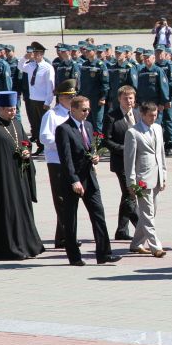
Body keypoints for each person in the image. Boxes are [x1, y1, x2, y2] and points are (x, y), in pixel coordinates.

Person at [0, 90, 45, 261]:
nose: (12, 112)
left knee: (23, 211)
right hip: (3, 180)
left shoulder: (17, 124)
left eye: (14, 109)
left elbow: (25, 143)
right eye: (8, 110)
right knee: (8, 213)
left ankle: (28, 246)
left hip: (20, 178)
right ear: (0, 109)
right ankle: (9, 248)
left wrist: (27, 152)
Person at [55, 96, 120, 266]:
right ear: (73, 110)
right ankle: (74, 256)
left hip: (89, 178)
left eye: (88, 109)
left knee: (99, 214)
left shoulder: (89, 126)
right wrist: (74, 180)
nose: (87, 112)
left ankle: (104, 253)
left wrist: (95, 156)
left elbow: (89, 149)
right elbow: (66, 158)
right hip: (73, 180)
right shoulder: (64, 129)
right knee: (71, 219)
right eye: (84, 110)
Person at [39, 79, 80, 248]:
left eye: (74, 96)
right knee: (61, 200)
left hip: (71, 161)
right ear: (61, 97)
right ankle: (67, 237)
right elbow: (44, 137)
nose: (73, 99)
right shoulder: (52, 115)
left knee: (70, 200)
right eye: (70, 97)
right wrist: (63, 146)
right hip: (56, 161)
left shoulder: (74, 114)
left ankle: (62, 237)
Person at [124, 101, 168, 258]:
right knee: (148, 214)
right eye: (150, 115)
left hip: (156, 177)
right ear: (142, 114)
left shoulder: (158, 128)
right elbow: (129, 160)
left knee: (150, 212)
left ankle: (136, 243)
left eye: (155, 115)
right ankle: (156, 247)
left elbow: (161, 153)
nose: (153, 118)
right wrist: (131, 182)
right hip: (142, 179)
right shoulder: (133, 132)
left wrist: (163, 175)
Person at [102, 85, 141, 241]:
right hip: (121, 162)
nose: (129, 101)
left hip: (138, 162)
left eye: (131, 98)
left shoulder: (138, 114)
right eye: (125, 98)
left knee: (127, 195)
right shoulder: (111, 117)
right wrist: (125, 149)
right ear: (119, 99)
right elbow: (106, 140)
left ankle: (121, 230)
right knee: (130, 193)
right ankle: (142, 227)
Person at [18, 41, 55, 156]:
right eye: (33, 52)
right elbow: (20, 66)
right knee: (36, 125)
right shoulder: (31, 65)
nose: (33, 55)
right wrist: (25, 57)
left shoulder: (47, 67)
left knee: (44, 125)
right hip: (32, 99)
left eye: (36, 53)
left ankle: (47, 147)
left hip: (43, 101)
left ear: (41, 54)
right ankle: (40, 146)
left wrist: (48, 102)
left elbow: (50, 86)